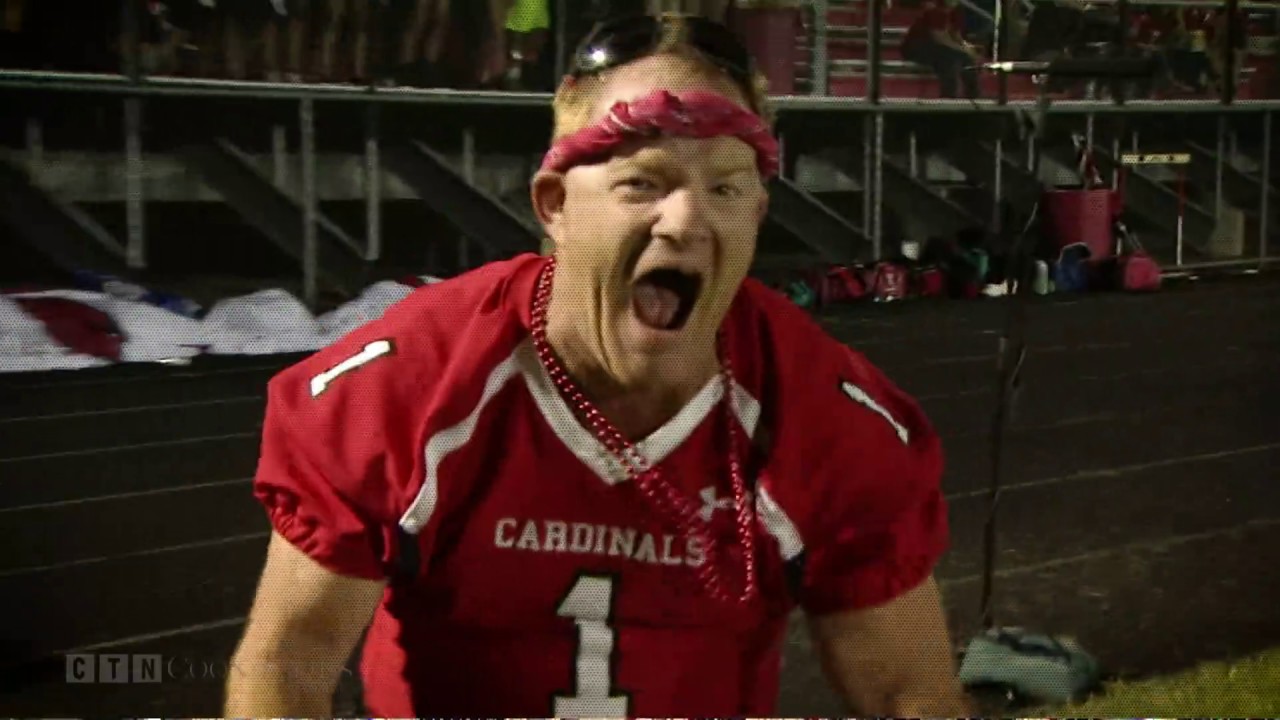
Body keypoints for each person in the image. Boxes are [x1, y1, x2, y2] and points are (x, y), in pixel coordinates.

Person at [225, 13, 971, 717]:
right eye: (641, 183)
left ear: (758, 211)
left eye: (726, 187)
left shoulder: (821, 413)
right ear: (554, 205)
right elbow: (292, 655)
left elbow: (908, 689)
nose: (686, 222)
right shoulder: (411, 385)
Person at [901, 0, 981, 99]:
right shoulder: (935, 11)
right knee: (949, 57)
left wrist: (967, 47)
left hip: (939, 47)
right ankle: (948, 97)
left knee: (967, 58)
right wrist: (962, 49)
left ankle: (973, 96)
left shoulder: (957, 12)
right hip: (917, 47)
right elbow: (939, 38)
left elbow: (956, 35)